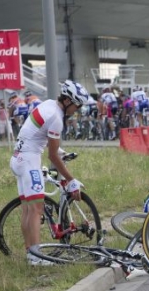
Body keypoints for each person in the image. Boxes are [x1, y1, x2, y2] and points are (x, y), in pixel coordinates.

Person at [9, 80, 88, 265]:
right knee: (36, 210)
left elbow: (37, 133)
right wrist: (71, 179)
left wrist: (60, 152)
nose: (76, 109)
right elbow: (52, 156)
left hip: (18, 157)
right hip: (29, 160)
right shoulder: (57, 118)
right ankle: (37, 257)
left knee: (28, 209)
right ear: (68, 100)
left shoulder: (48, 104)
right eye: (77, 105)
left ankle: (30, 252)